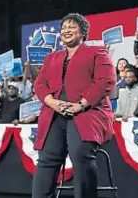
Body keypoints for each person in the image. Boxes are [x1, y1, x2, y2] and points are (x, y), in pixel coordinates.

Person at [32, 13, 115, 198]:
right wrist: (52, 102)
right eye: (63, 28)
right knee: (47, 159)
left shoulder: (97, 53)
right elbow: (39, 84)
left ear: (83, 33)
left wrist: (81, 105)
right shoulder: (51, 58)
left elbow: (105, 81)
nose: (66, 31)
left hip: (87, 113)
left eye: (71, 27)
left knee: (80, 155)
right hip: (55, 114)